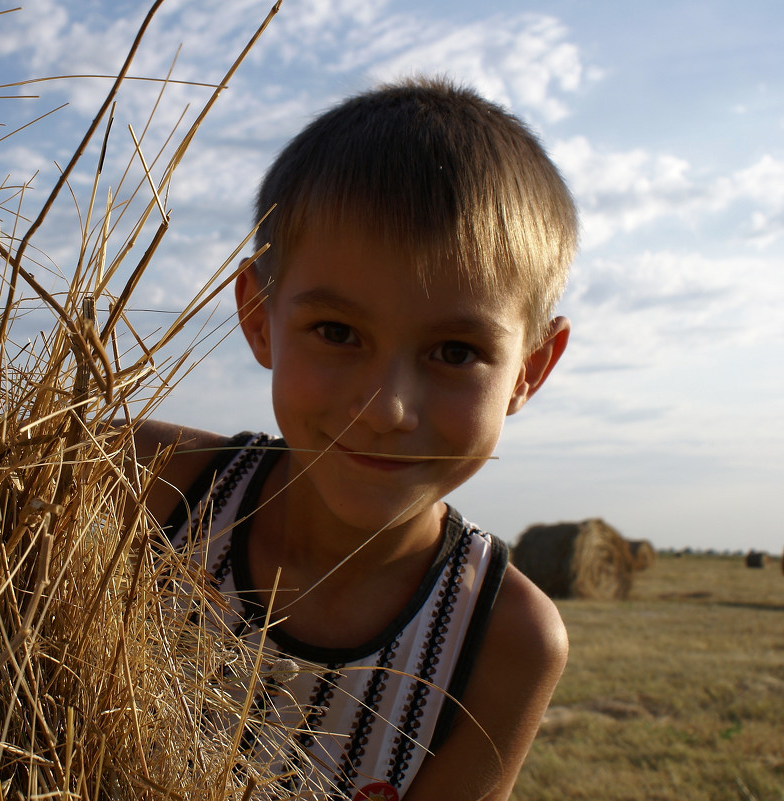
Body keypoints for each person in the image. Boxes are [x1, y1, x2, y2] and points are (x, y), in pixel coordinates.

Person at [133, 76, 575, 801]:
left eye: (455, 351)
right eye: (337, 333)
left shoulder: (501, 640)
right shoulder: (148, 486)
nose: (385, 408)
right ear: (256, 316)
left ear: (529, 369)